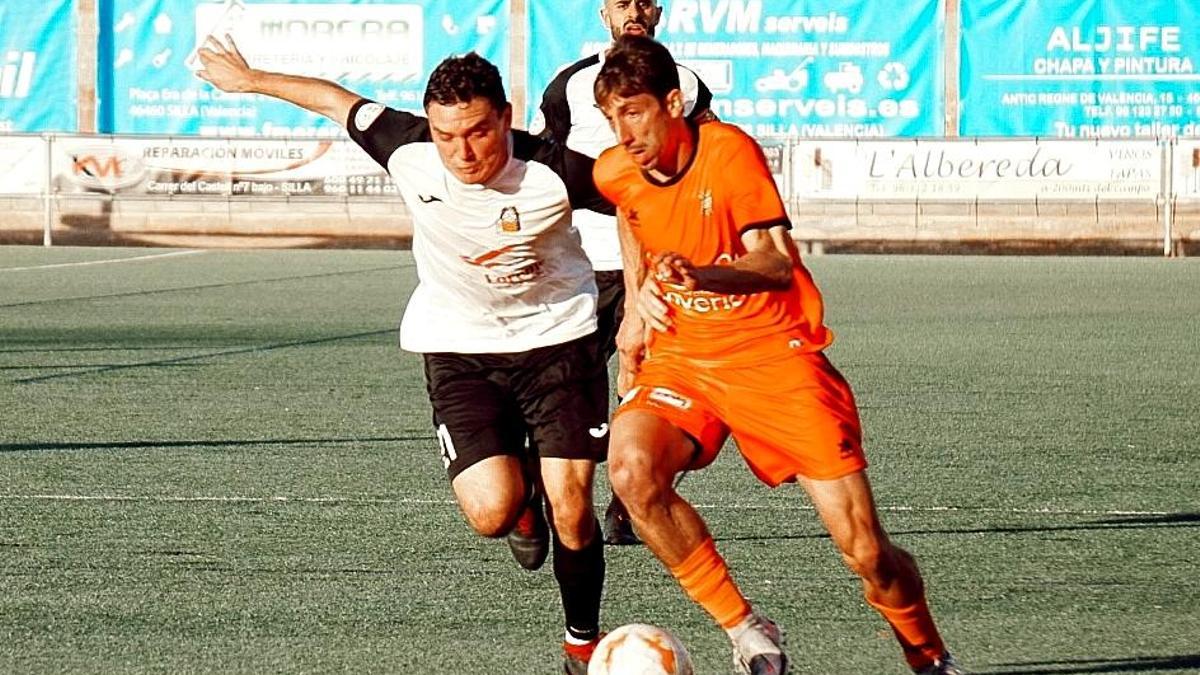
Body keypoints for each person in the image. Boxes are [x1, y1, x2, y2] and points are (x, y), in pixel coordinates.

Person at [196, 39, 610, 674]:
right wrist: (249, 79)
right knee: (491, 513)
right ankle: (524, 497)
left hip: (559, 339)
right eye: (448, 136)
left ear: (504, 116)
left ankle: (582, 640)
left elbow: (640, 204)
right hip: (458, 345)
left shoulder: (556, 168)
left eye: (477, 132)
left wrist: (646, 301)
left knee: (577, 510)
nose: (462, 152)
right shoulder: (406, 146)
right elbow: (334, 101)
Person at [591, 35, 966, 675]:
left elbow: (774, 262)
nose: (623, 132)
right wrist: (636, 300)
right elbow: (632, 215)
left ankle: (927, 655)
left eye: (634, 112)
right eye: (611, 117)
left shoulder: (729, 154)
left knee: (865, 550)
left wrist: (703, 274)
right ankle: (745, 628)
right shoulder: (613, 169)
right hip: (684, 357)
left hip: (774, 358)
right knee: (630, 472)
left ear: (673, 103)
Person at [531, 0, 713, 545]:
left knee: (646, 382)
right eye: (619, 2)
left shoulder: (685, 84)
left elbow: (708, 161)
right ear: (601, 13)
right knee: (562, 386)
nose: (632, 10)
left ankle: (627, 503)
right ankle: (541, 495)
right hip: (582, 263)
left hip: (658, 265)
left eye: (643, 1)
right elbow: (543, 165)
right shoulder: (569, 85)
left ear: (659, 11)